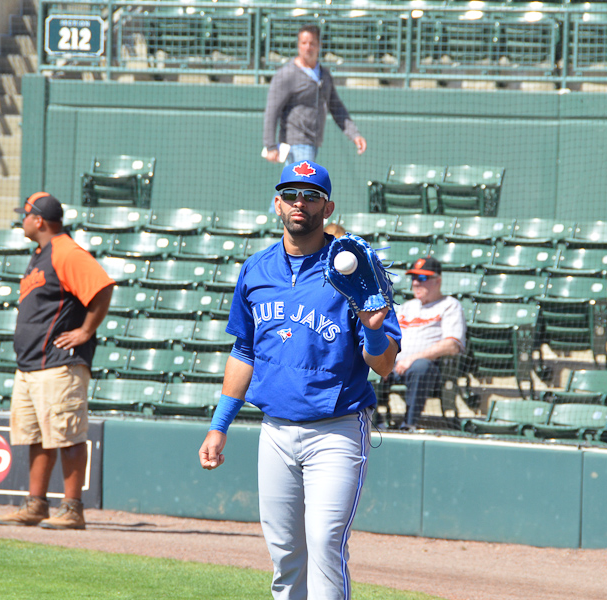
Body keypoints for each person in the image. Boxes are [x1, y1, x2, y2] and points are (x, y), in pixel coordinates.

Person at [199, 160, 401, 600]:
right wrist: (219, 425)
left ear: (327, 207)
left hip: (338, 428)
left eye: (311, 196)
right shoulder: (256, 269)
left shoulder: (353, 267)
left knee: (326, 544)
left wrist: (371, 326)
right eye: (291, 194)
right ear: (277, 204)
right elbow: (243, 351)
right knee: (286, 554)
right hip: (274, 430)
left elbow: (385, 365)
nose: (299, 202)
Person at [0, 193, 114, 530]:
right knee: (37, 438)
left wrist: (85, 331)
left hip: (59, 363)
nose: (22, 220)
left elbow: (102, 288)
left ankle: (73, 508)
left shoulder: (65, 251)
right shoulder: (40, 254)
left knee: (68, 436)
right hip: (32, 364)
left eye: (26, 215)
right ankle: (36, 505)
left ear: (39, 220)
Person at [263, 24, 368, 213]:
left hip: (312, 142)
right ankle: (272, 223)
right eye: (303, 42)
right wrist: (270, 145)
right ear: (298, 45)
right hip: (296, 141)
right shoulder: (286, 75)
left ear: (319, 46)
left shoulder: (324, 75)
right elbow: (272, 110)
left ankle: (270, 224)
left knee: (292, 187)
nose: (307, 47)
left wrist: (354, 134)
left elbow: (337, 107)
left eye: (312, 43)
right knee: (301, 185)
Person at [382, 257, 465, 430]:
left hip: (430, 370)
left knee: (421, 366)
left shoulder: (450, 305)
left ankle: (409, 423)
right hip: (396, 364)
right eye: (414, 278)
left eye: (423, 278)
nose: (416, 283)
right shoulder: (407, 306)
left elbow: (452, 344)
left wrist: (412, 359)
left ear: (438, 281)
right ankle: (374, 420)